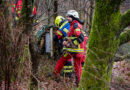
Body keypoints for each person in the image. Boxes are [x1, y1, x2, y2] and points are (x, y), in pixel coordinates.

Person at [54, 10, 84, 86]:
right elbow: (69, 36)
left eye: (68, 17)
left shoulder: (75, 25)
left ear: (73, 17)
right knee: (78, 67)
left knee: (62, 60)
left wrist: (70, 44)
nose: (67, 18)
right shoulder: (72, 25)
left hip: (72, 50)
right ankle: (79, 83)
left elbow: (80, 38)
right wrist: (65, 40)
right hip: (76, 51)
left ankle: (55, 75)